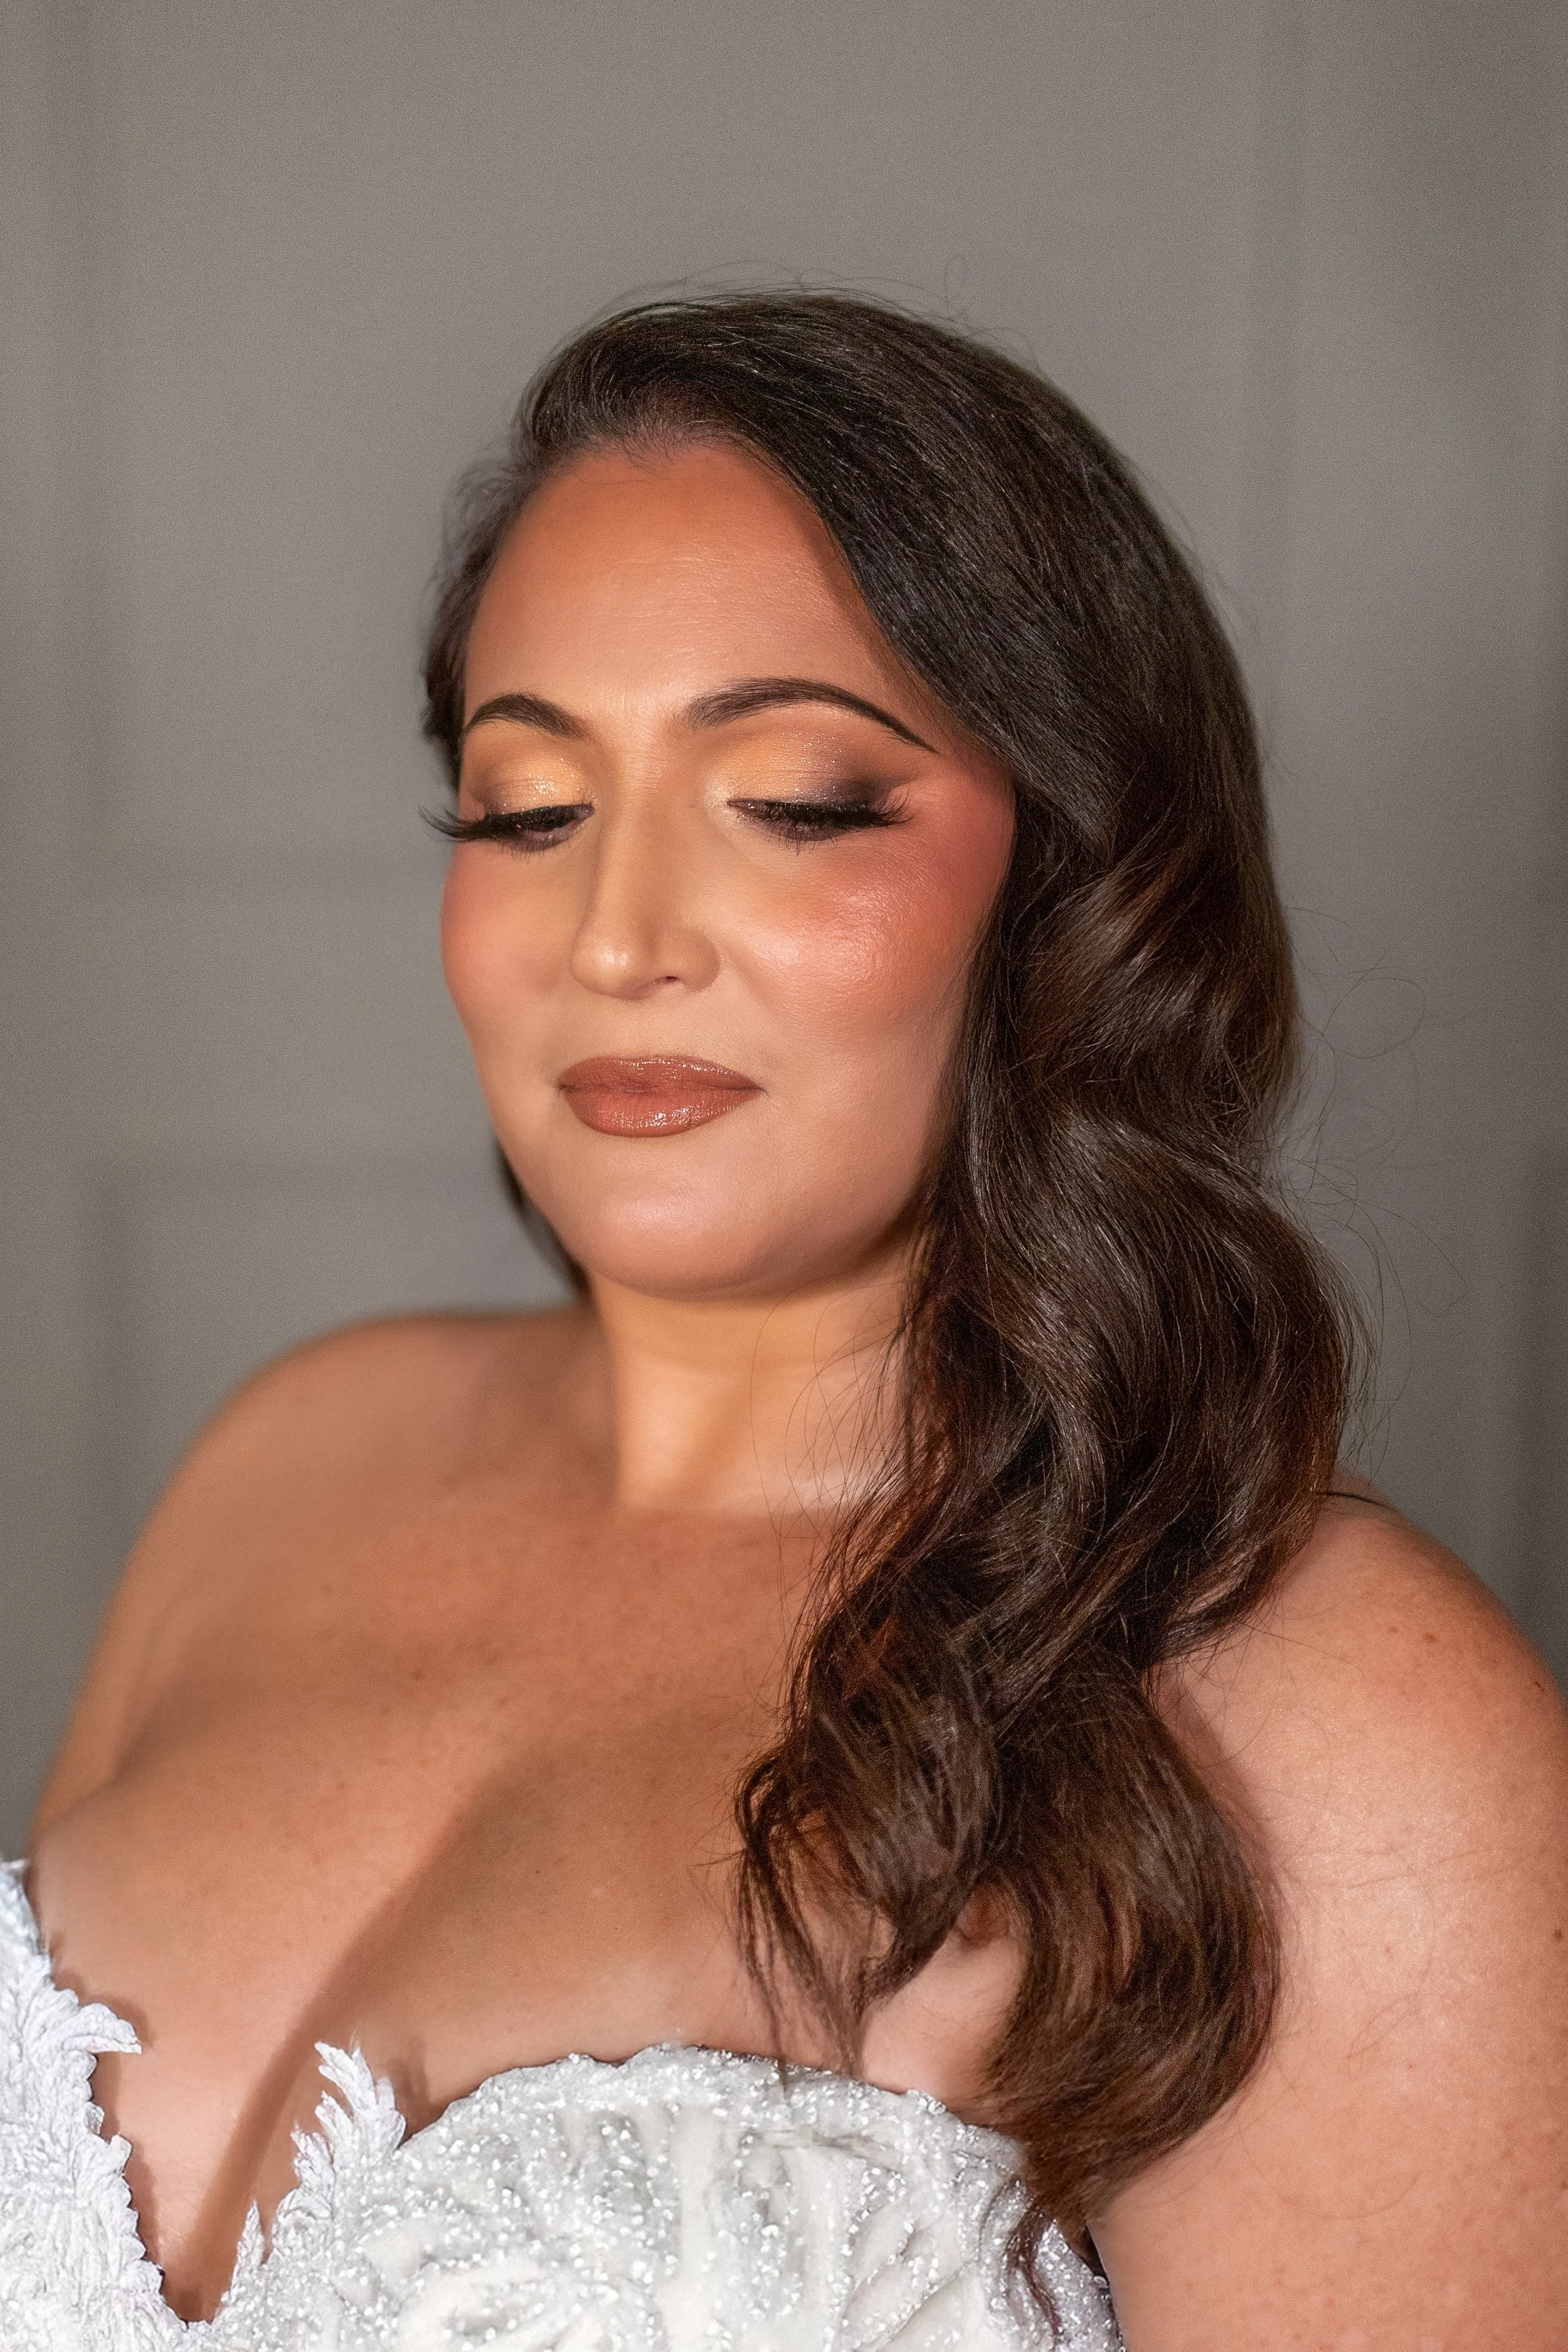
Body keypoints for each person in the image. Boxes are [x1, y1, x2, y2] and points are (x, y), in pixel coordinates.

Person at [5, 294, 1564, 2350]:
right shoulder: (284, 1455)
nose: (619, 936)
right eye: (529, 807)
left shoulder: (1333, 1721)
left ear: (1077, 877)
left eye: (802, 798)